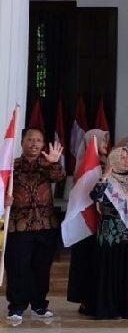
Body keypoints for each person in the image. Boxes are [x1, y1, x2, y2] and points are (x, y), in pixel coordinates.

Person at [3, 129, 64, 322]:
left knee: (41, 268)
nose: (34, 143)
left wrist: (54, 161)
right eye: (30, 139)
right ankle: (16, 307)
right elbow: (1, 188)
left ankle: (39, 305)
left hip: (45, 225)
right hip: (18, 226)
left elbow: (58, 177)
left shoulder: (48, 165)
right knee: (17, 267)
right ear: (22, 142)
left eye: (38, 140)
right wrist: (5, 199)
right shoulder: (11, 166)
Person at [89, 147, 128, 320]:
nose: (127, 160)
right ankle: (110, 309)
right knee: (111, 273)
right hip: (111, 235)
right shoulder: (107, 179)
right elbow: (95, 196)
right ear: (113, 160)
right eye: (122, 157)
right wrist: (105, 176)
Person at [67, 128, 109, 314]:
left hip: (104, 221)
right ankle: (85, 299)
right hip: (87, 222)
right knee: (85, 261)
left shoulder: (107, 163)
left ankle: (96, 298)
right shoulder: (85, 166)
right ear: (93, 142)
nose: (106, 144)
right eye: (102, 141)